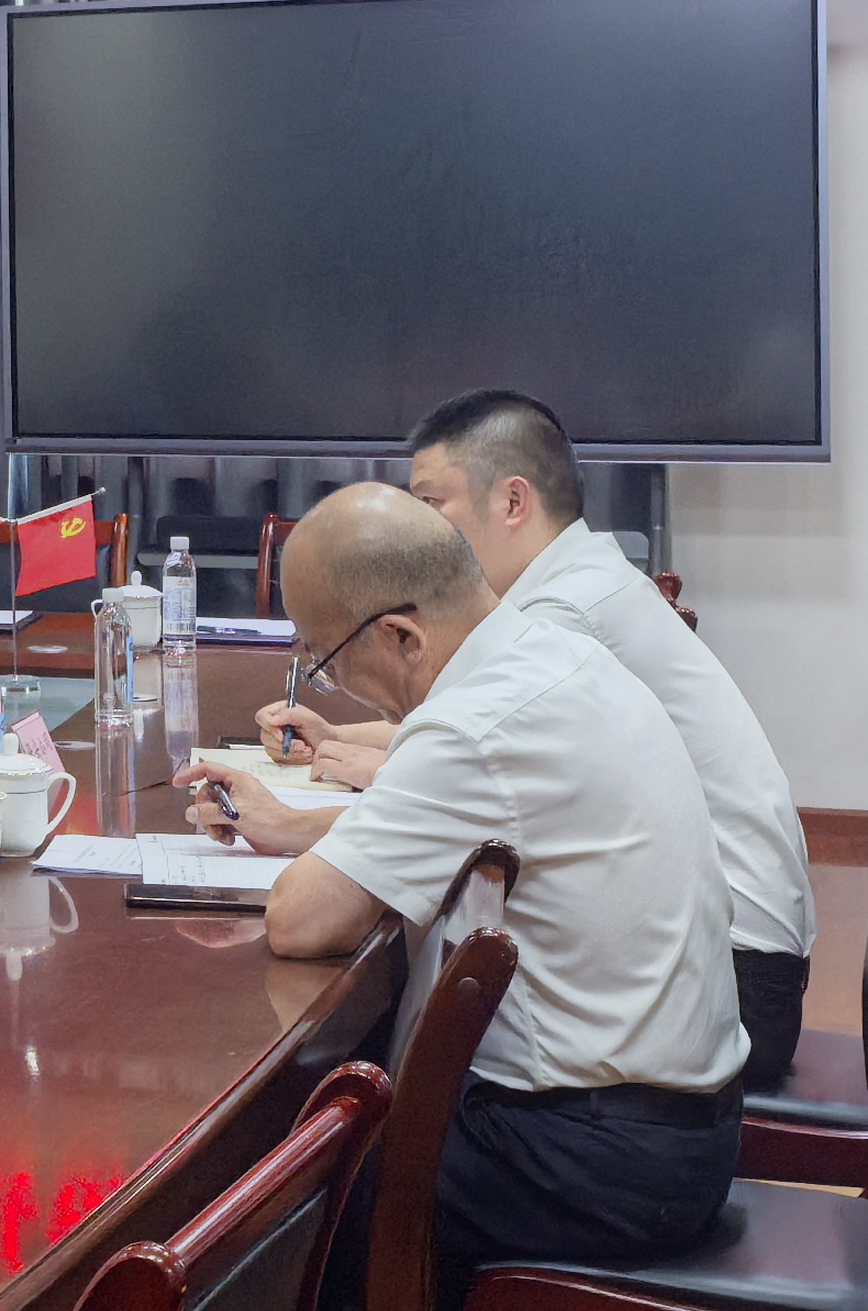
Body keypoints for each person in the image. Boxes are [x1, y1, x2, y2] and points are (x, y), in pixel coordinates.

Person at [184, 486, 747, 1302]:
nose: (332, 686)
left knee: (267, 1218)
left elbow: (303, 921)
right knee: (331, 1124)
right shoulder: (550, 654)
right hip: (672, 1124)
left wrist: (316, 845)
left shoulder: (476, 722)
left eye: (325, 661)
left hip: (602, 1158)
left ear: (401, 636)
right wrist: (304, 829)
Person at [267, 390, 820, 1088]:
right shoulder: (564, 618)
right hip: (697, 995)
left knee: (354, 1088)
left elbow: (309, 914)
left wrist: (302, 820)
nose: (424, 529)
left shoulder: (560, 616)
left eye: (431, 504)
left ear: (513, 501)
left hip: (733, 986)